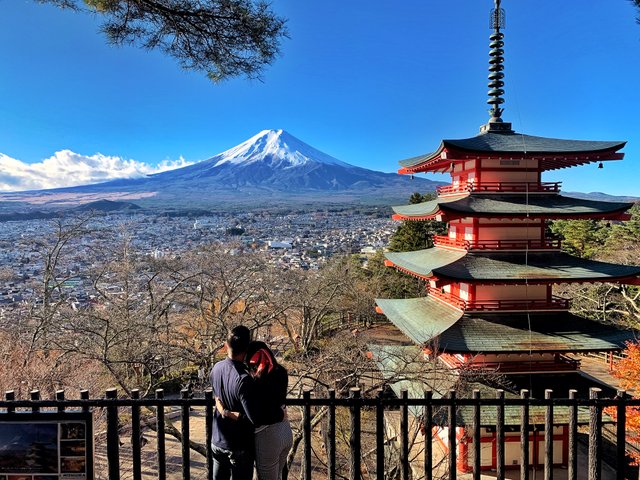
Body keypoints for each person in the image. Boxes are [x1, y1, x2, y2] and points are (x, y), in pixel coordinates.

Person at [217, 340, 292, 480]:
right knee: (279, 476)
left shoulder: (254, 381)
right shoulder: (281, 372)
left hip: (267, 436)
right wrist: (281, 414)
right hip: (285, 431)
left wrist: (225, 411)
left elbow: (256, 417)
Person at [210, 325, 260, 480]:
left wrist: (223, 410)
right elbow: (253, 419)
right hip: (239, 445)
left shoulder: (216, 368)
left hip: (217, 440)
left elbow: (216, 397)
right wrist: (230, 413)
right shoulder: (244, 379)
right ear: (247, 349)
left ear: (226, 346)